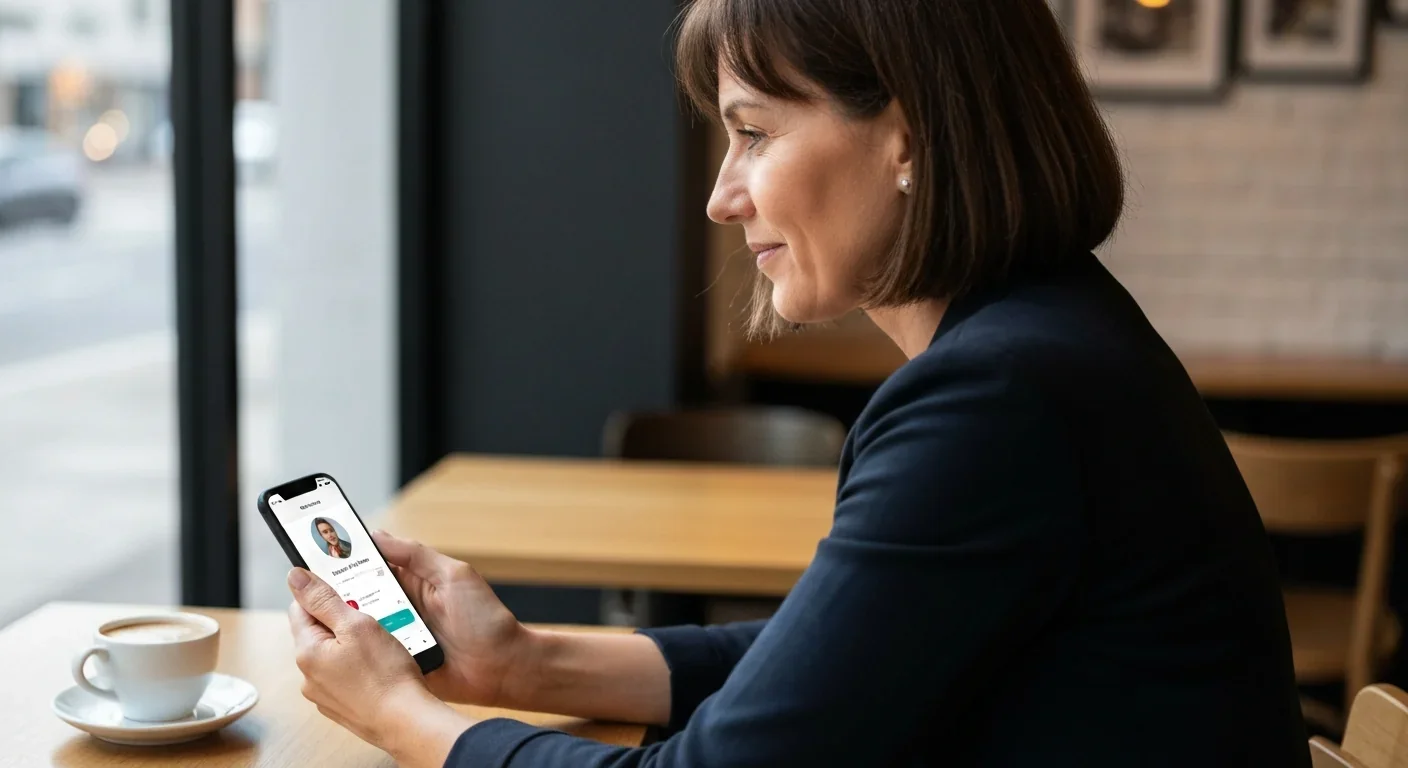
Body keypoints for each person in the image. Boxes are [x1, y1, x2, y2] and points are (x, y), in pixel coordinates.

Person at [285, 1, 1311, 766]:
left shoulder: (997, 398)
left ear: (907, 133)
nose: (722, 200)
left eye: (753, 132)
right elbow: (826, 665)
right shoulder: (1044, 338)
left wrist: (405, 720)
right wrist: (523, 663)